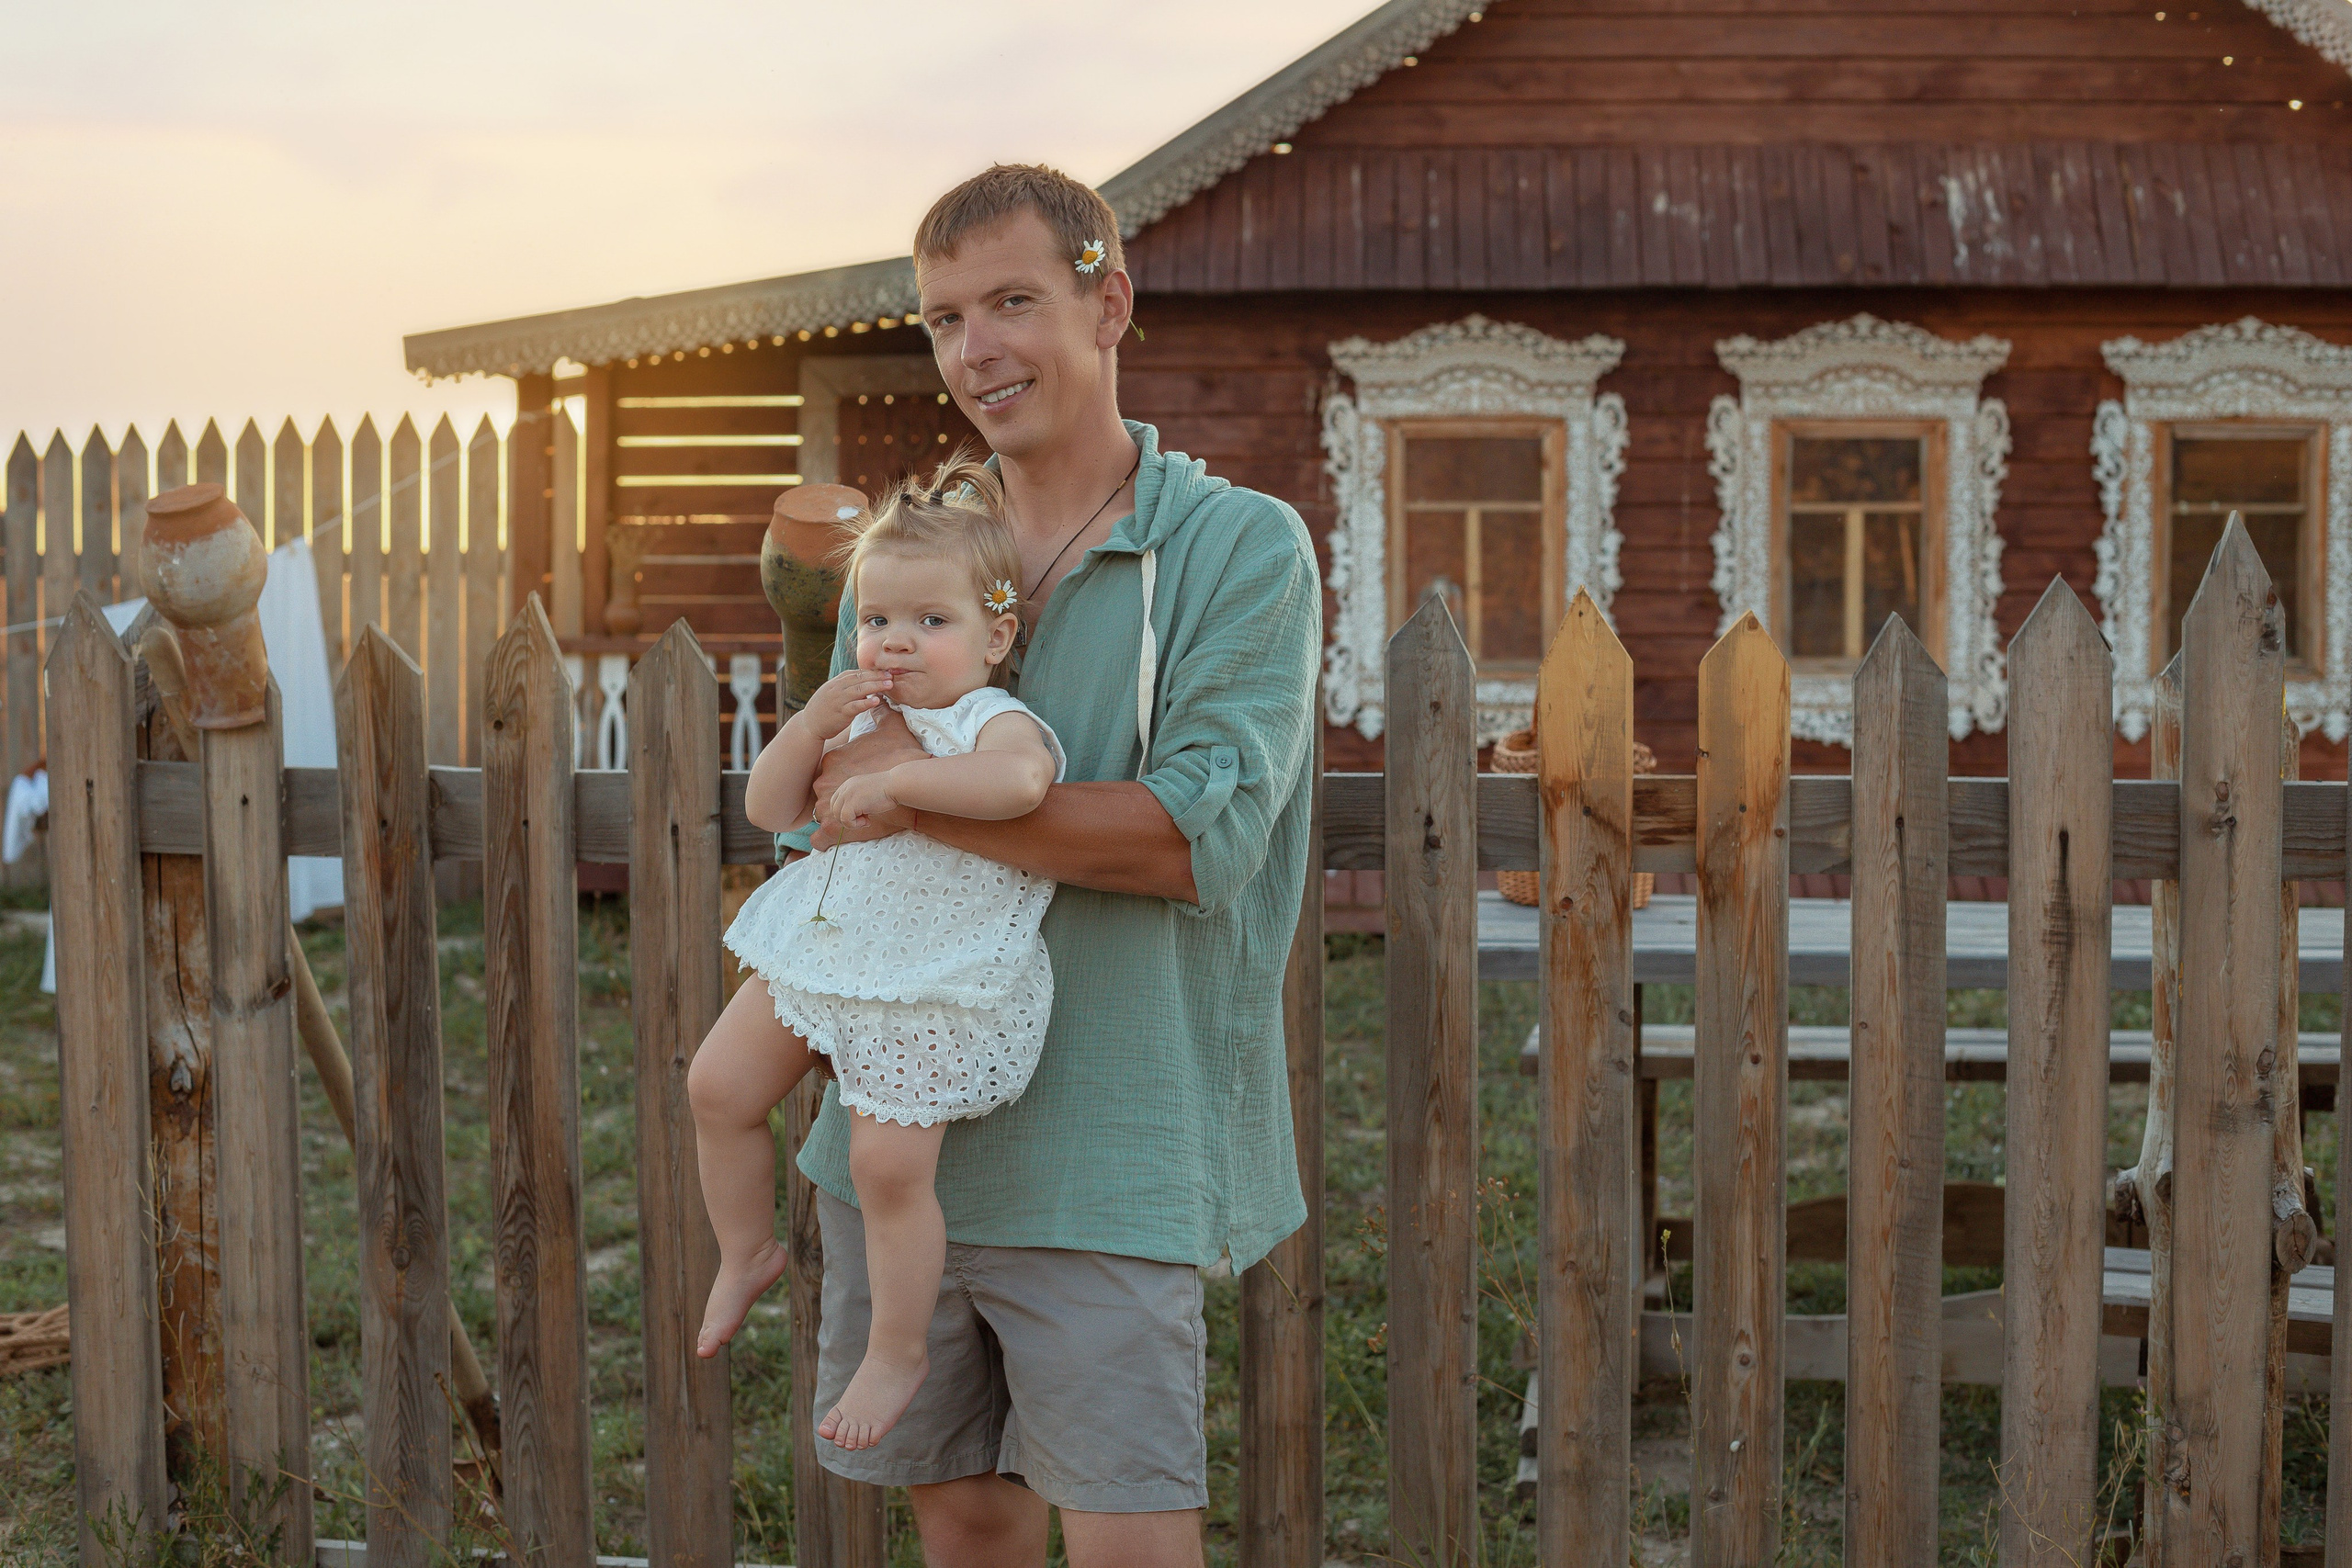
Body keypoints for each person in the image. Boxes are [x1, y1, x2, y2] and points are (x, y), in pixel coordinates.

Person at [783, 164, 1321, 1566]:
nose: (979, 350)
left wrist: (908, 796)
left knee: (1129, 1532)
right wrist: (892, 790)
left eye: (1015, 300)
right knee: (962, 1517)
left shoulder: (1234, 547)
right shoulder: (921, 552)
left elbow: (1187, 839)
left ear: (1110, 302)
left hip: (1112, 1134)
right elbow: (824, 798)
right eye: (947, 316)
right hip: (905, 1140)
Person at [688, 459, 1067, 1452]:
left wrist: (907, 780)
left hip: (928, 976)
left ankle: (897, 1348)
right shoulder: (849, 712)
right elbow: (770, 811)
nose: (896, 641)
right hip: (825, 948)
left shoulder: (985, 719)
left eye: (930, 622)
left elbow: (1024, 784)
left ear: (995, 635)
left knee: (888, 1166)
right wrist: (811, 723)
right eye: (878, 619)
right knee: (716, 1087)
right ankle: (744, 1249)